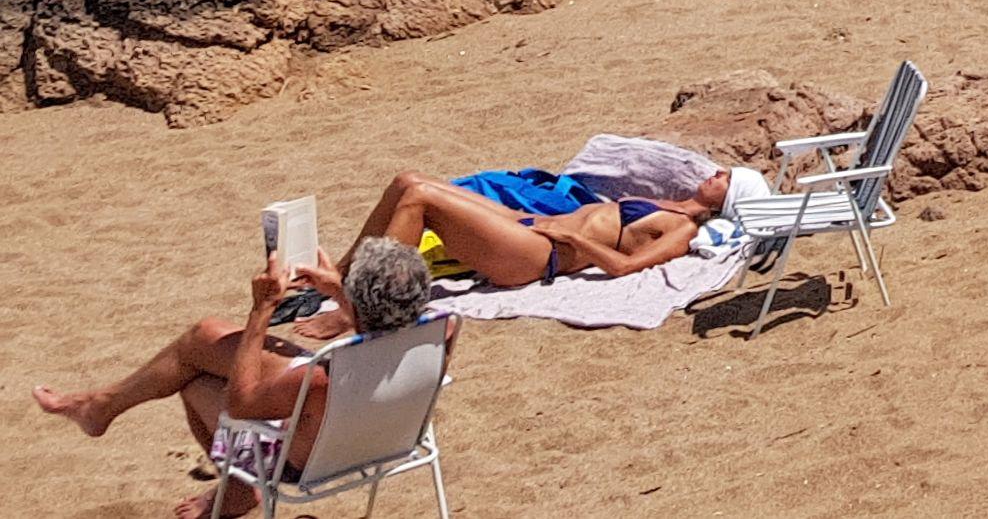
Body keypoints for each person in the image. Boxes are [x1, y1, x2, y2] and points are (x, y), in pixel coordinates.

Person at [33, 237, 438, 519]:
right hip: (387, 436)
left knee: (192, 380)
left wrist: (262, 310)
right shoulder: (440, 333)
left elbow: (241, 405)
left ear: (359, 299)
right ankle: (99, 406)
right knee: (205, 337)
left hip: (309, 459)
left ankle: (239, 490)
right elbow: (378, 323)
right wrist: (338, 291)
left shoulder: (321, 379)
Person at [351, 161, 736, 290]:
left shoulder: (684, 230)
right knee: (408, 181)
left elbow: (624, 267)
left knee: (421, 198)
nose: (716, 173)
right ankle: (341, 275)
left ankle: (365, 301)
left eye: (726, 178)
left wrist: (571, 238)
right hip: (530, 226)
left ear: (729, 200)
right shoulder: (669, 202)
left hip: (542, 254)